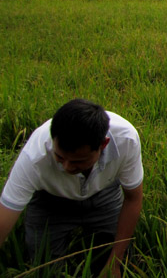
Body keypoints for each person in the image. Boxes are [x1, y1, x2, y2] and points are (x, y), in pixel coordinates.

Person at [0, 99, 143, 277]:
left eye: (78, 161)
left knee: (115, 258)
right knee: (45, 269)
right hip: (50, 201)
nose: (67, 167)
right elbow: (4, 217)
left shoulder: (126, 140)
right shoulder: (34, 156)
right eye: (59, 157)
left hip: (103, 194)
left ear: (103, 145)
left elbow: (133, 198)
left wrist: (114, 263)